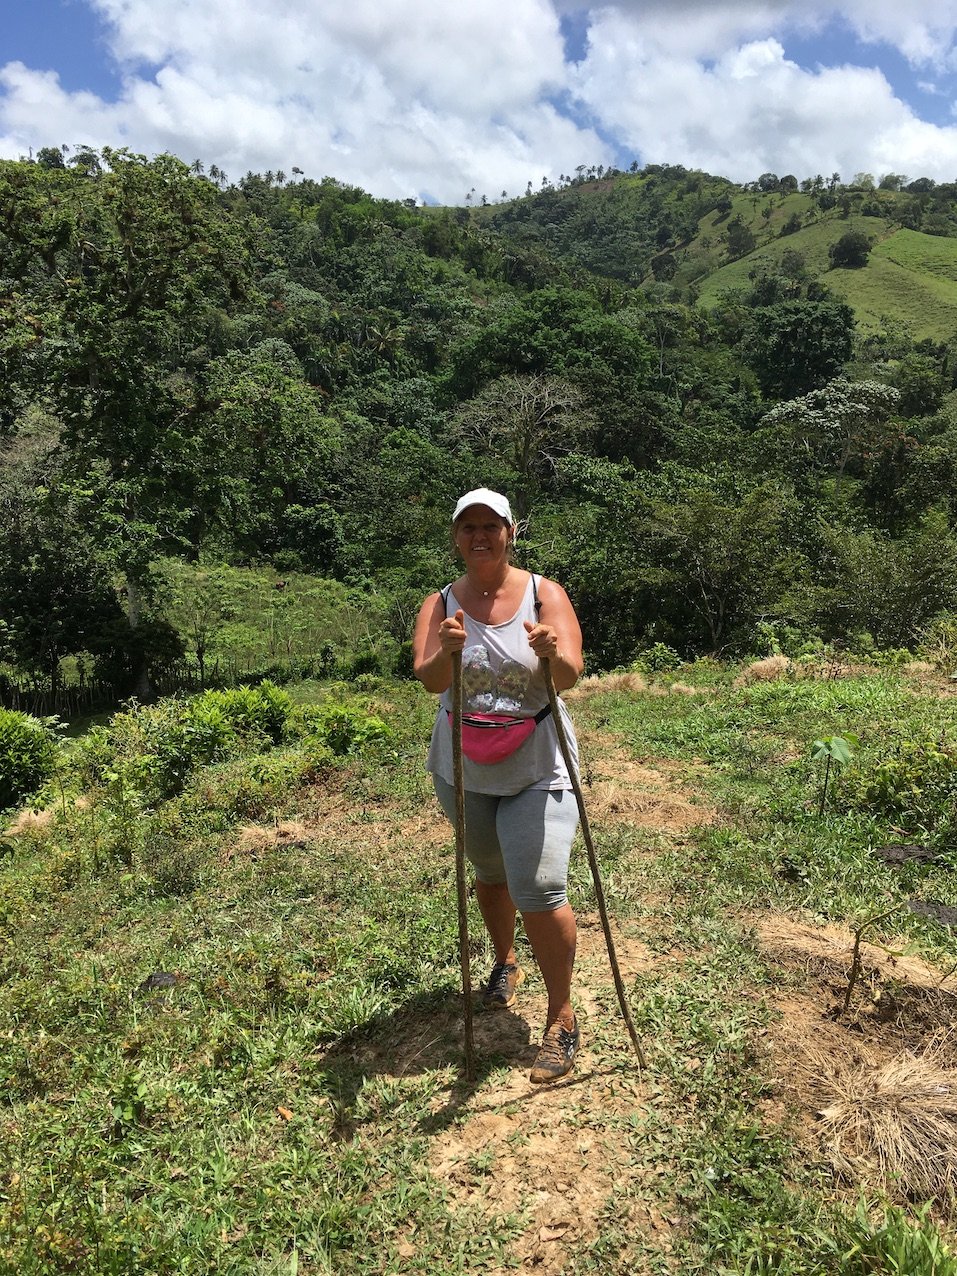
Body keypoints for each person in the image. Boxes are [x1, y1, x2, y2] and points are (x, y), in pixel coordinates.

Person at [413, 488, 585, 1083]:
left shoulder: (545, 594)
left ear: (511, 532)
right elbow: (427, 677)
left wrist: (549, 651)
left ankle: (561, 1017)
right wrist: (449, 654)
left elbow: (569, 677)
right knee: (489, 872)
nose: (480, 536)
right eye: (469, 527)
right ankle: (505, 961)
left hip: (538, 761)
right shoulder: (440, 604)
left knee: (537, 884)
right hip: (464, 765)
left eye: (491, 525)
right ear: (456, 537)